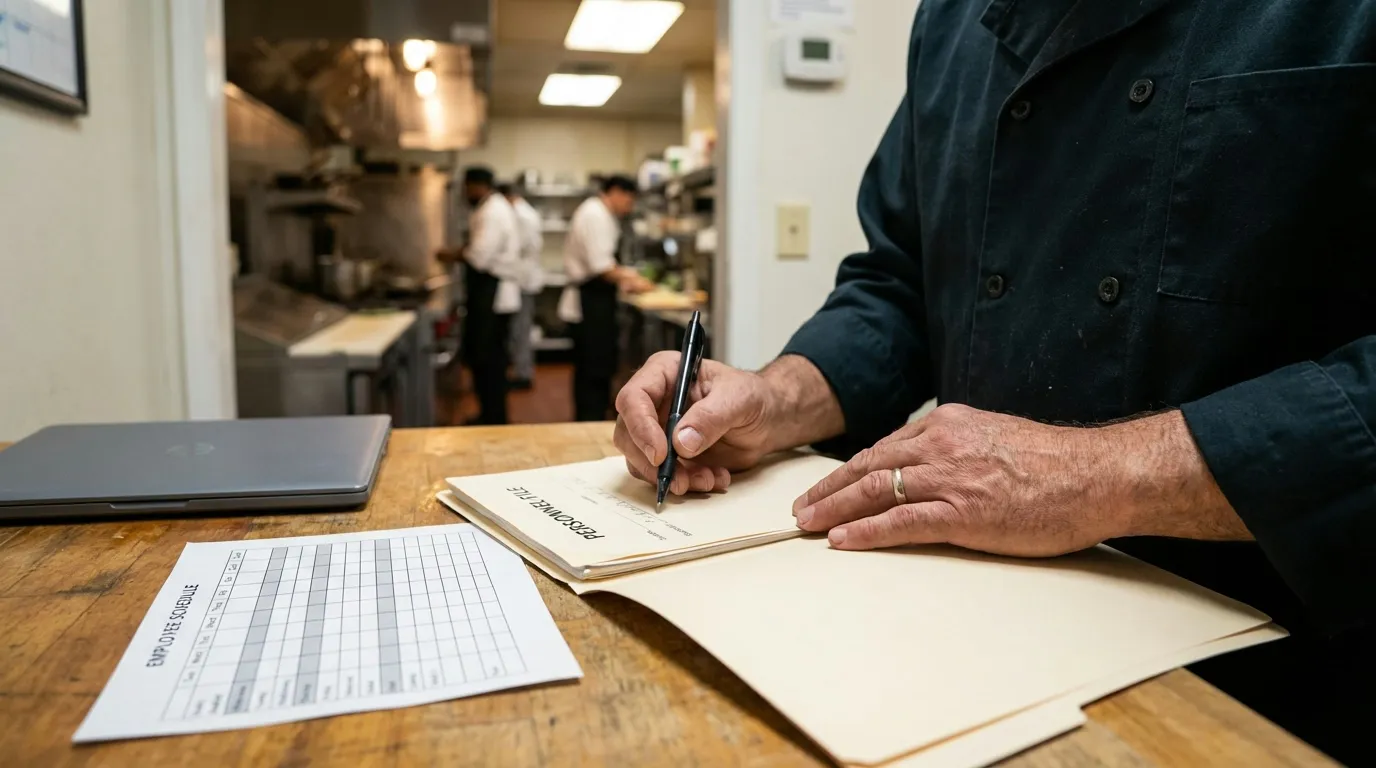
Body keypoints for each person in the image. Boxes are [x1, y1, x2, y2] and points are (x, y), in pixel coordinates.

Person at [612, 1, 1375, 762]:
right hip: (964, 632)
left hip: (1264, 667)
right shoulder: (951, 22)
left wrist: (1093, 475)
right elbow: (899, 284)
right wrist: (774, 399)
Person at [559, 175, 654, 422]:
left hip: (596, 299)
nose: (629, 207)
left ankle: (592, 417)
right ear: (616, 192)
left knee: (594, 368)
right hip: (589, 301)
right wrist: (633, 279)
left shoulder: (601, 214)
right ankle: (589, 422)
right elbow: (601, 266)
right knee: (593, 369)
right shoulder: (595, 214)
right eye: (629, 200)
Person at [438, 166, 522, 425]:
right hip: (489, 294)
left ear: (477, 186)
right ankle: (489, 414)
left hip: (494, 296)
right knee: (486, 361)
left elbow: (480, 257)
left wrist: (452, 254)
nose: (466, 193)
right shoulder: (490, 208)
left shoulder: (493, 211)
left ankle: (494, 418)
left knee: (490, 362)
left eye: (467, 187)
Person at [500, 182, 545, 391]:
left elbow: (519, 247)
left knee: (521, 330)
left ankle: (523, 373)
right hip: (523, 277)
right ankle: (521, 370)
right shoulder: (523, 212)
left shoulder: (521, 215)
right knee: (519, 330)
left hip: (523, 279)